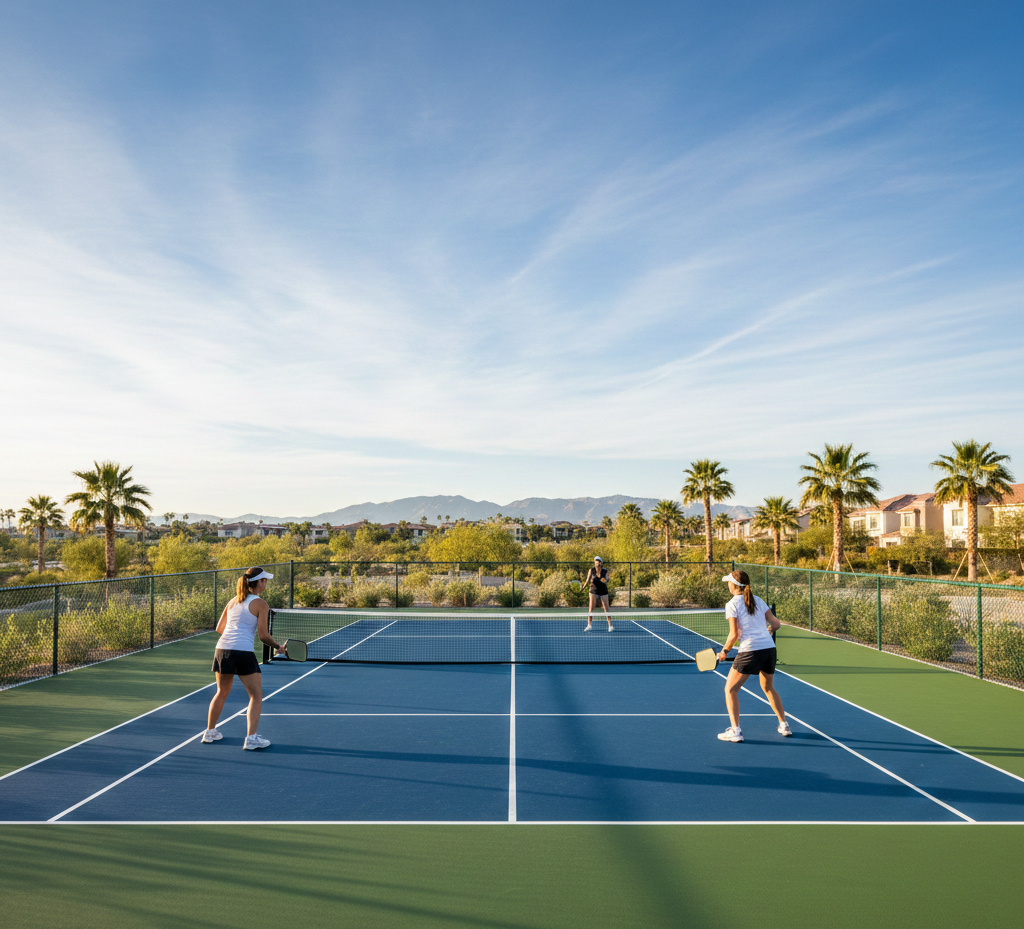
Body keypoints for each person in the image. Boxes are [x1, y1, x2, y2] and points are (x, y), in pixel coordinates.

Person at [202, 567, 286, 750]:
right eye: (265, 580)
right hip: (243, 652)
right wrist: (278, 647)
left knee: (221, 692)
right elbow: (263, 635)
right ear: (260, 582)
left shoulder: (233, 601)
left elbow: (219, 628)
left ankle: (210, 732)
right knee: (256, 696)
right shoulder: (261, 604)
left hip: (222, 649)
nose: (267, 583)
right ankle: (251, 739)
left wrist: (234, 637)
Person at [716, 569, 791, 742]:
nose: (728, 584)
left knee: (730, 689)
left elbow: (734, 634)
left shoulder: (732, 604)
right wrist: (767, 632)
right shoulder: (758, 600)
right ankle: (784, 724)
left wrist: (724, 651)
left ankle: (735, 731)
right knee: (768, 688)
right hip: (769, 650)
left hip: (750, 651)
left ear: (734, 585)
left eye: (729, 582)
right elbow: (776, 624)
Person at [583, 556, 613, 632]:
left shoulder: (605, 571)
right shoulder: (591, 570)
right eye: (596, 563)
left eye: (599, 563)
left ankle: (610, 625)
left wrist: (604, 580)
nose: (597, 564)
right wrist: (583, 587)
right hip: (593, 590)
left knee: (606, 609)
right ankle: (589, 625)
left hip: (603, 591)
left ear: (601, 564)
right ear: (594, 563)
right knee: (591, 608)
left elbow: (607, 580)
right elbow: (587, 579)